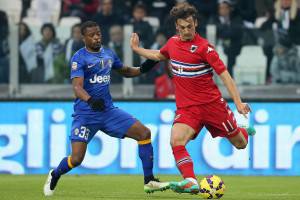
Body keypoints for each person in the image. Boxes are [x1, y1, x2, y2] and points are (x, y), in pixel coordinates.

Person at [130, 2, 256, 194]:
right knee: (176, 141)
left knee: (241, 144)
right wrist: (137, 49)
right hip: (187, 108)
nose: (186, 30)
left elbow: (225, 76)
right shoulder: (172, 43)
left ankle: (241, 129)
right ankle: (190, 180)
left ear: (195, 23)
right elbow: (158, 55)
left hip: (213, 106)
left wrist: (238, 103)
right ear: (176, 27)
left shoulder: (205, 48)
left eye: (190, 26)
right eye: (182, 27)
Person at [43, 21, 170, 196]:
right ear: (84, 38)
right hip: (86, 115)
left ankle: (149, 181)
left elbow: (125, 71)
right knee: (77, 159)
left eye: (98, 34)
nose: (96, 37)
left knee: (144, 133)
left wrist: (144, 67)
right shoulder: (79, 58)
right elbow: (77, 87)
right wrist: (90, 100)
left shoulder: (108, 54)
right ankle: (55, 173)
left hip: (108, 112)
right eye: (92, 35)